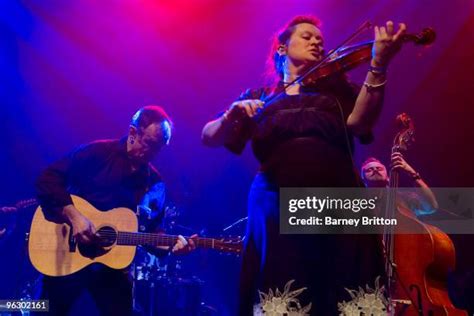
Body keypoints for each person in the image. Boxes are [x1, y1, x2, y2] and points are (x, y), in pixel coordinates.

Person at [202, 15, 407, 315]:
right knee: (285, 288)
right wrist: (230, 114)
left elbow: (361, 122)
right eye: (308, 37)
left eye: (320, 41)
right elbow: (209, 138)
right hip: (276, 205)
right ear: (282, 48)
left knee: (348, 287)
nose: (317, 43)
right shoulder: (261, 99)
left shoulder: (338, 91)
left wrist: (378, 64)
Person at [35, 105, 195, 316]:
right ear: (133, 133)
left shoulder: (155, 184)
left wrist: (172, 247)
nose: (153, 153)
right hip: (67, 252)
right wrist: (74, 216)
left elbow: (153, 233)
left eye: (160, 148)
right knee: (45, 311)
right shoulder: (98, 153)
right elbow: (47, 178)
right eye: (150, 144)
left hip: (110, 267)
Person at [361, 154, 438, 215]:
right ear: (362, 179)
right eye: (369, 170)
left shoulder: (404, 197)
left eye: (379, 168)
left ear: (388, 177)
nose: (375, 170)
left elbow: (430, 207)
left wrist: (412, 173)